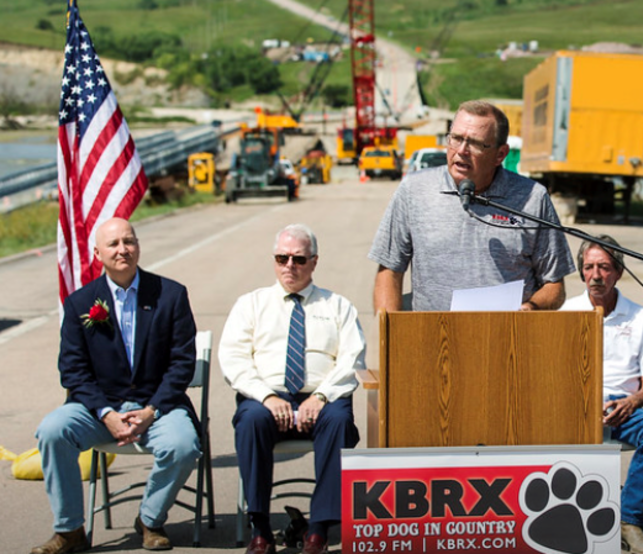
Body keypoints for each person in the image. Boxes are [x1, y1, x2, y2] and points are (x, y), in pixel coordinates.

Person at [32, 218, 201, 554]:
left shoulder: (170, 294)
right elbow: (73, 370)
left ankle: (150, 520)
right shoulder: (81, 304)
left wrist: (152, 410)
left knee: (183, 445)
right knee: (52, 431)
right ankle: (69, 531)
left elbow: (182, 363)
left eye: (129, 241)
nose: (123, 249)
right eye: (113, 244)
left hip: (158, 407)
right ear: (98, 253)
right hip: (100, 409)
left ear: (138, 246)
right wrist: (106, 413)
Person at [220, 224, 365, 554]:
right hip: (267, 396)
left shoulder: (337, 306)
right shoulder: (251, 304)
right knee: (251, 420)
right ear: (274, 260)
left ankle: (318, 530)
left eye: (298, 259)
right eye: (282, 258)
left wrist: (321, 396)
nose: (289, 266)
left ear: (314, 262)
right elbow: (233, 357)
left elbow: (352, 357)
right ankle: (260, 529)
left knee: (340, 422)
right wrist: (267, 396)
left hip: (322, 395)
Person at [369, 99, 575, 312]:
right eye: (456, 138)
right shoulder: (414, 190)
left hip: (508, 340)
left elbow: (555, 287)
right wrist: (389, 335)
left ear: (500, 154)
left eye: (476, 143)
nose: (461, 151)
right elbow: (390, 270)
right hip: (433, 339)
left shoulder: (533, 198)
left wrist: (530, 308)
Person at [561, 236, 643, 554]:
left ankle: (629, 520)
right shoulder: (566, 312)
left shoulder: (641, 316)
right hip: (578, 406)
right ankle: (564, 518)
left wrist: (631, 402)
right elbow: (555, 377)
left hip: (624, 407)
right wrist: (582, 401)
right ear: (582, 272)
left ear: (619, 272)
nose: (596, 275)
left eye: (604, 267)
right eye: (589, 267)